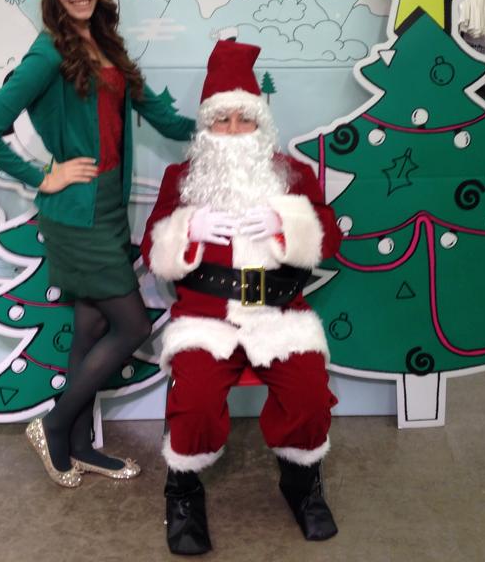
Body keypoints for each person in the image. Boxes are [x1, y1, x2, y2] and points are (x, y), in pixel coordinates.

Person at [0, 0, 195, 487]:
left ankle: (79, 445)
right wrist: (43, 174)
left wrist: (220, 130)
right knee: (131, 326)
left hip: (108, 210)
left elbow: (158, 116)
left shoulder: (106, 44)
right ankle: (54, 424)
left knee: (90, 326)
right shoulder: (47, 54)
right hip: (77, 216)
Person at [141, 39, 342, 554]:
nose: (233, 131)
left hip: (278, 313)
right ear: (206, 128)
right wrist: (186, 228)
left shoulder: (291, 174)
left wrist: (286, 222)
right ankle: (183, 491)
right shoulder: (182, 179)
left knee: (309, 395)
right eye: (221, 121)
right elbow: (150, 248)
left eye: (244, 119)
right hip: (205, 316)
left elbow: (330, 238)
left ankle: (301, 483)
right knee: (195, 402)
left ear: (260, 124)